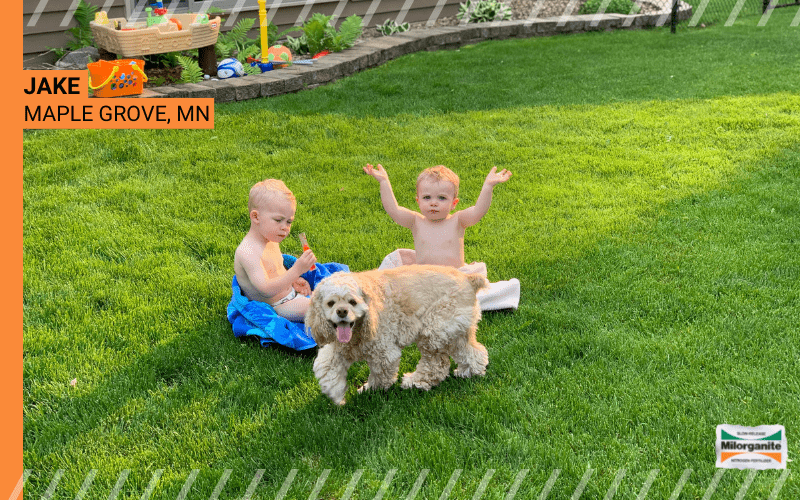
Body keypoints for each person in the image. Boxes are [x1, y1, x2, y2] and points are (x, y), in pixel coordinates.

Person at [363, 164, 512, 268]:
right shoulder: (415, 221)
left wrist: (488, 186)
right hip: (425, 279)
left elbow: (478, 210)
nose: (433, 203)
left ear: (454, 203)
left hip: (453, 279)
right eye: (427, 197)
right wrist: (383, 181)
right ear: (418, 201)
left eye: (441, 198)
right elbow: (394, 210)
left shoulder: (458, 220)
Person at [233, 179, 317, 322]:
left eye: (289, 222)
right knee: (319, 309)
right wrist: (296, 270)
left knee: (332, 292)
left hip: (291, 295)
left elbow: (276, 270)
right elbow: (265, 289)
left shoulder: (270, 239)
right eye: (278, 220)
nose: (285, 227)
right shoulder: (248, 252)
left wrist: (295, 281)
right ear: (256, 217)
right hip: (278, 307)